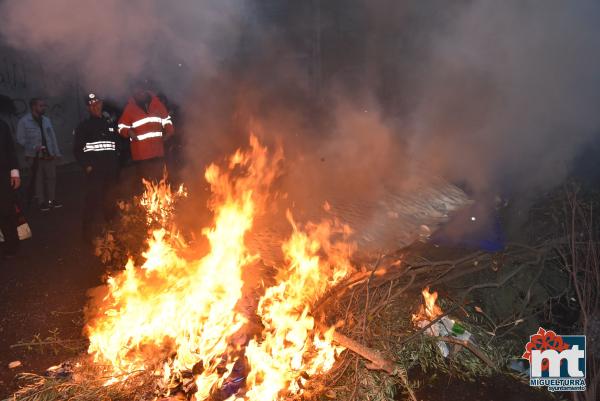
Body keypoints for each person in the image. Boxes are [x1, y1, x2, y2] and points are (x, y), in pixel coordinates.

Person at [73, 93, 119, 243]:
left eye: (97, 102)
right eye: (91, 104)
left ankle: (111, 231)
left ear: (101, 104)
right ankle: (87, 235)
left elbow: (116, 145)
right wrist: (87, 166)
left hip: (111, 170)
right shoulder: (84, 127)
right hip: (95, 172)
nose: (95, 106)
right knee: (92, 202)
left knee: (110, 201)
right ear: (88, 107)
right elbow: (77, 150)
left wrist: (118, 163)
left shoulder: (109, 124)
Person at [118, 81, 174, 192]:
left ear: (145, 89)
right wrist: (129, 132)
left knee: (161, 183)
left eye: (141, 89)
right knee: (145, 187)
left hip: (158, 152)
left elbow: (166, 119)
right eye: (136, 90)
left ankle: (162, 207)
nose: (139, 92)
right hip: (141, 156)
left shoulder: (157, 103)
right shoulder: (130, 108)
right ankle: (145, 208)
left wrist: (169, 131)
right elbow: (120, 127)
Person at [16, 98, 63, 211]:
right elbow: (20, 139)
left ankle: (51, 200)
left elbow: (52, 137)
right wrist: (33, 147)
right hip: (34, 156)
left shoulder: (46, 120)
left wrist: (57, 152)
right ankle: (41, 202)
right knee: (38, 179)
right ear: (34, 107)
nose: (43, 107)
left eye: (44, 105)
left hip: (48, 154)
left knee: (51, 178)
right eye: (41, 106)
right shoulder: (24, 121)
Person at [0, 118, 20, 258]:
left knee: (6, 210)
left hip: (2, 174)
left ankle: (12, 244)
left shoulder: (2, 124)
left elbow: (10, 149)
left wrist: (14, 172)